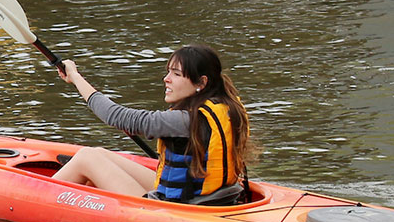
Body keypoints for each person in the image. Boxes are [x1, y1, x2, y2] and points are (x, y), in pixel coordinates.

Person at [52, 44, 258, 205]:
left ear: (201, 83)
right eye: (168, 72)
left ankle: (37, 198)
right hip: (216, 197)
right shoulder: (227, 106)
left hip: (181, 207)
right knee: (99, 153)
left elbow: (115, 116)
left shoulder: (185, 120)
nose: (166, 79)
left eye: (176, 74)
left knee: (87, 158)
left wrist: (76, 78)